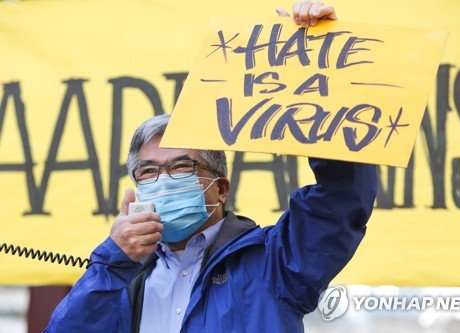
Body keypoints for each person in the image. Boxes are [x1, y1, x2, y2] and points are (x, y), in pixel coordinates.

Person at [44, 2, 377, 332]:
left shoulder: (276, 263)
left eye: (180, 167)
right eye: (148, 171)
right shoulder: (121, 279)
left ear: (220, 189)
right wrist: (113, 262)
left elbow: (341, 197)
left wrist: (323, 70)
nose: (163, 179)